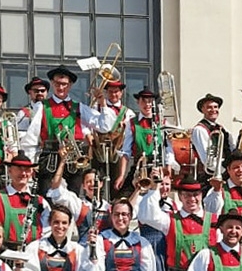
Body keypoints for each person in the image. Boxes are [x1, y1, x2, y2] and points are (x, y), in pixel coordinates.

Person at [19, 65, 115, 196]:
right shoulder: (42, 107)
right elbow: (31, 139)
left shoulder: (79, 107)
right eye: (58, 83)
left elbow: (105, 126)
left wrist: (102, 102)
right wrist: (31, 164)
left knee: (73, 198)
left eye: (64, 84)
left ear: (70, 85)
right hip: (50, 160)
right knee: (47, 198)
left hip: (74, 160)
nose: (61, 87)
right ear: (52, 83)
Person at [0, 152, 51, 251]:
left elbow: (47, 232)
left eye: (27, 170)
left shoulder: (41, 202)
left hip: (31, 255)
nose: (23, 173)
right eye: (18, 169)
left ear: (31, 173)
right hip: (1, 253)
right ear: (9, 171)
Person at [114, 87, 179, 198]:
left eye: (150, 101)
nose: (147, 104)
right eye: (144, 101)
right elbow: (126, 151)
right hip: (139, 168)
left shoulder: (162, 122)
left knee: (158, 199)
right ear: (138, 102)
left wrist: (168, 168)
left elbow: (167, 148)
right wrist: (121, 175)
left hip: (157, 167)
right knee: (123, 198)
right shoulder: (132, 123)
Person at [47, 148, 111, 244]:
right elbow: (56, 190)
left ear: (101, 184)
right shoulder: (78, 204)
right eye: (88, 182)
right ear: (83, 186)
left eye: (95, 181)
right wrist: (62, 162)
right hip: (84, 250)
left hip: (105, 250)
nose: (92, 184)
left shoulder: (108, 207)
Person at [192, 93, 236, 184]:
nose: (213, 110)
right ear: (202, 110)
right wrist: (229, 169)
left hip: (226, 173)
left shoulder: (222, 129)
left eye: (216, 107)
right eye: (209, 107)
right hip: (210, 178)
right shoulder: (199, 129)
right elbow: (208, 161)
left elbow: (232, 149)